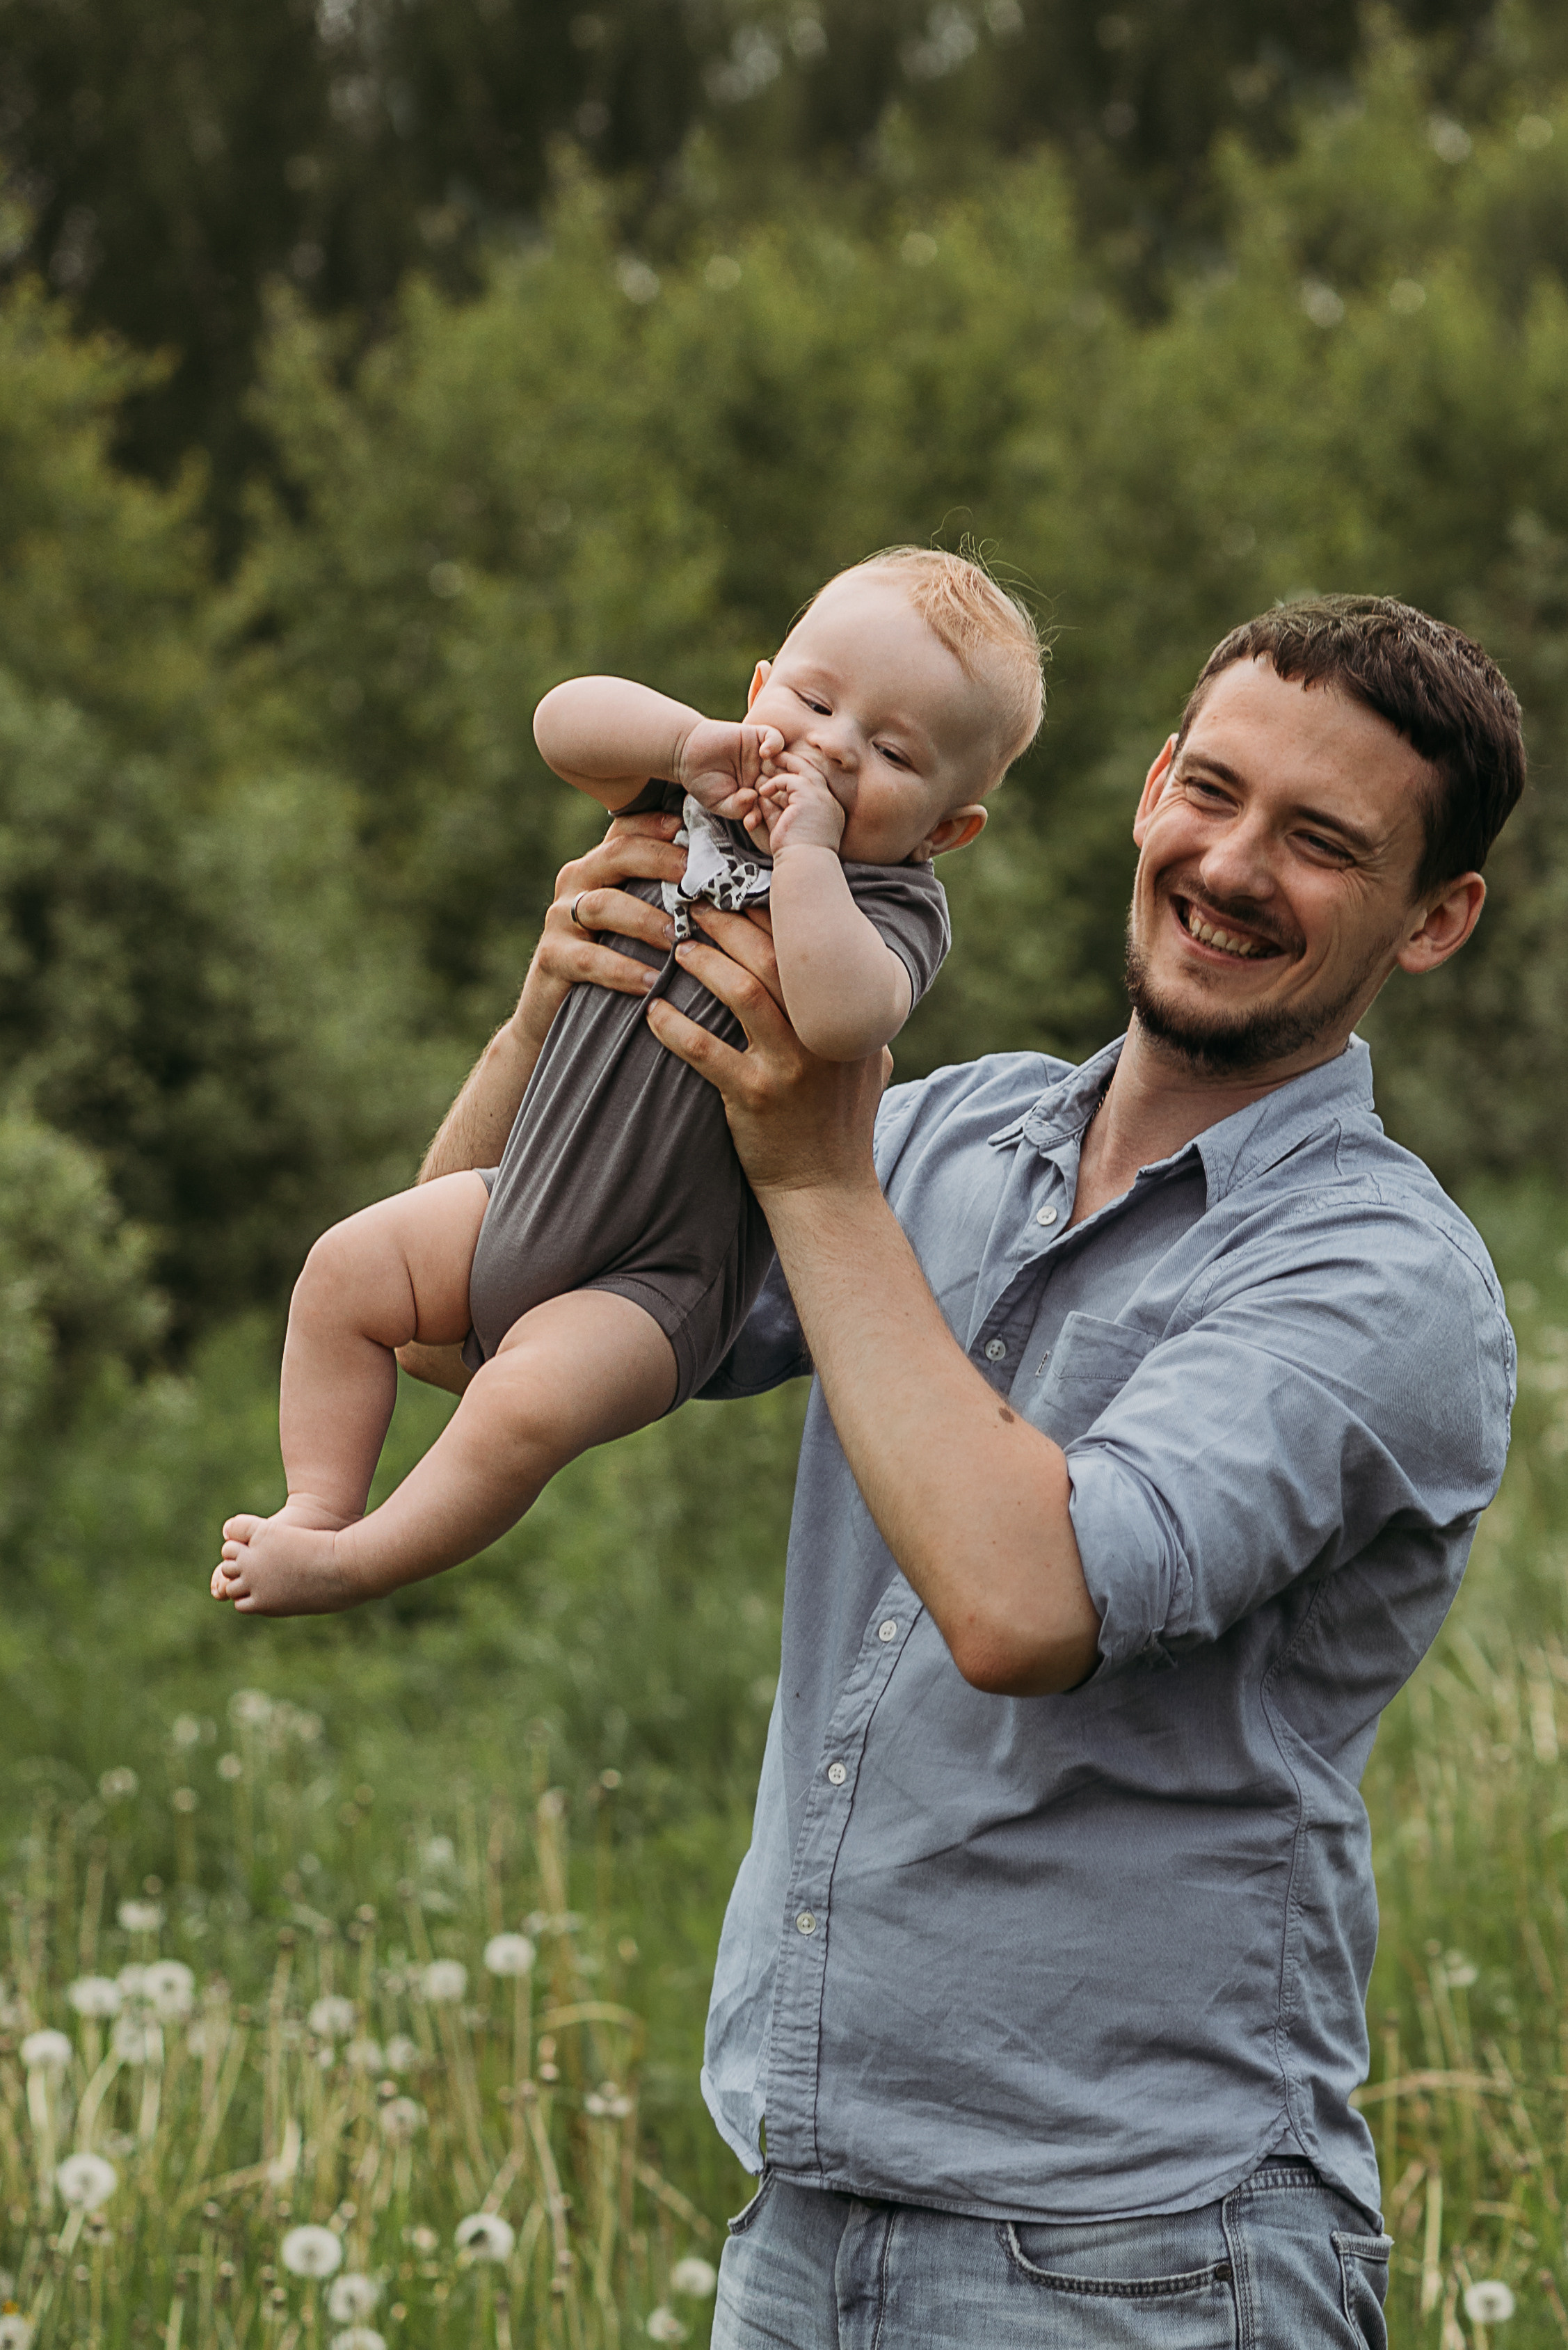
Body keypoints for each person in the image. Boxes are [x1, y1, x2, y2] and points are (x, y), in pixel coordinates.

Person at [401, 593, 1522, 2345]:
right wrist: (543, 1025)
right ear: (1149, 788)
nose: (1230, 867)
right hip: (799, 2228)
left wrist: (813, 1180)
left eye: (1320, 843)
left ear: (1433, 917)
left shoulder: (1377, 1278)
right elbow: (469, 1329)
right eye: (1210, 793)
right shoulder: (945, 1133)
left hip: (1141, 2263)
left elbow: (1020, 1603)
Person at [209, 547, 1041, 1616]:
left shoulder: (887, 902)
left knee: (519, 1403)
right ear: (758, 689)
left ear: (944, 828)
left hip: (657, 1282)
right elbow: (560, 721)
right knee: (341, 1270)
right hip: (522, 1193)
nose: (831, 746)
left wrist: (806, 854)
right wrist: (686, 743)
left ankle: (356, 1564)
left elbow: (845, 1016)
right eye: (812, 699)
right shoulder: (691, 791)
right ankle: (316, 1508)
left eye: (889, 751)